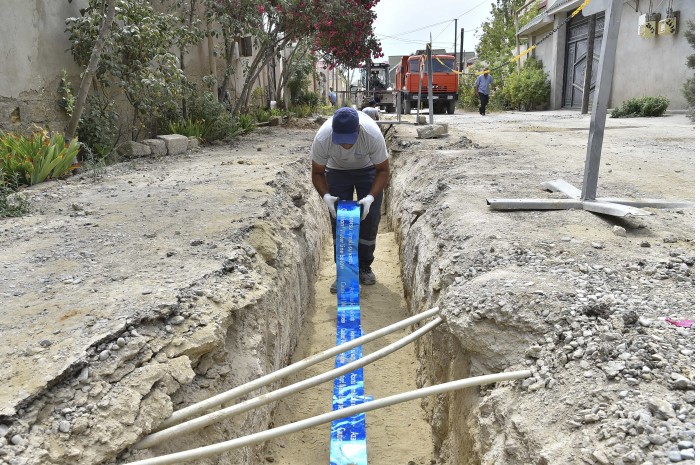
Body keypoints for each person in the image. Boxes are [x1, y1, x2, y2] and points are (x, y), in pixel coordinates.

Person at [311, 107, 390, 294]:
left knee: (369, 219)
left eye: (349, 141)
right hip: (336, 171)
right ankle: (344, 272)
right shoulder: (323, 138)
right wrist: (327, 197)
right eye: (341, 141)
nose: (345, 146)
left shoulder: (371, 134)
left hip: (369, 169)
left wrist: (370, 198)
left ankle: (364, 266)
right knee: (340, 221)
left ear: (358, 131)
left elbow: (383, 170)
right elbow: (317, 173)